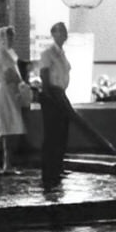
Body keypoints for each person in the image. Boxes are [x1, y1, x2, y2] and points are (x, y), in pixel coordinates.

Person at [0, 26, 27, 174]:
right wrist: (22, 83)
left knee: (6, 129)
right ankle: (1, 164)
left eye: (11, 37)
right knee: (4, 129)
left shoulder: (8, 52)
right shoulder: (1, 53)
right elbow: (10, 74)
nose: (9, 40)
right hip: (3, 93)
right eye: (6, 37)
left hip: (8, 93)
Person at [38, 21, 73, 190]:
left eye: (65, 32)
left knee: (62, 132)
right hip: (52, 95)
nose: (64, 35)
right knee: (52, 133)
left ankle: (58, 165)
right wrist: (49, 95)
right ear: (54, 34)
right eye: (61, 32)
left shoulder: (62, 54)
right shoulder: (48, 53)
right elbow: (44, 74)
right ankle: (49, 169)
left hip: (61, 94)